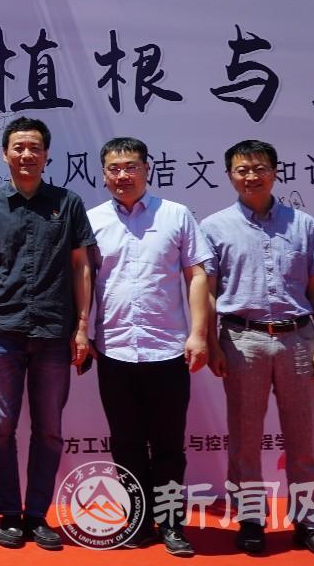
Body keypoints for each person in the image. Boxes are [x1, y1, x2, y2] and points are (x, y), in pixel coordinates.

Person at [201, 139, 314, 561]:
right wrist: (212, 343)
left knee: (303, 438)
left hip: (298, 339)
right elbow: (208, 291)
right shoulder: (215, 226)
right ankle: (251, 520)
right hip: (242, 340)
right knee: (245, 438)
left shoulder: (303, 224)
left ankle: (309, 523)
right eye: (242, 169)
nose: (251, 176)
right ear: (230, 175)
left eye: (259, 168)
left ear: (275, 172)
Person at [0, 115, 94, 550]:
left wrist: (82, 327)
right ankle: (9, 513)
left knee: (49, 430)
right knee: (0, 427)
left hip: (54, 333)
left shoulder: (68, 202)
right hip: (1, 331)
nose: (26, 154)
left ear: (46, 155)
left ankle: (38, 514)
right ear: (5, 154)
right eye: (18, 147)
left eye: (34, 147)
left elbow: (81, 266)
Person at [86, 136, 211, 556]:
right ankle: (137, 522)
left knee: (169, 444)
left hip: (167, 349)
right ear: (104, 175)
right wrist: (82, 331)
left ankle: (171, 523)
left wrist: (198, 333)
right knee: (126, 443)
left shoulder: (176, 215)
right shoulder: (93, 220)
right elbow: (82, 281)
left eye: (131, 167)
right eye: (114, 168)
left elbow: (197, 275)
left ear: (147, 169)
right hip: (115, 349)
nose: (123, 175)